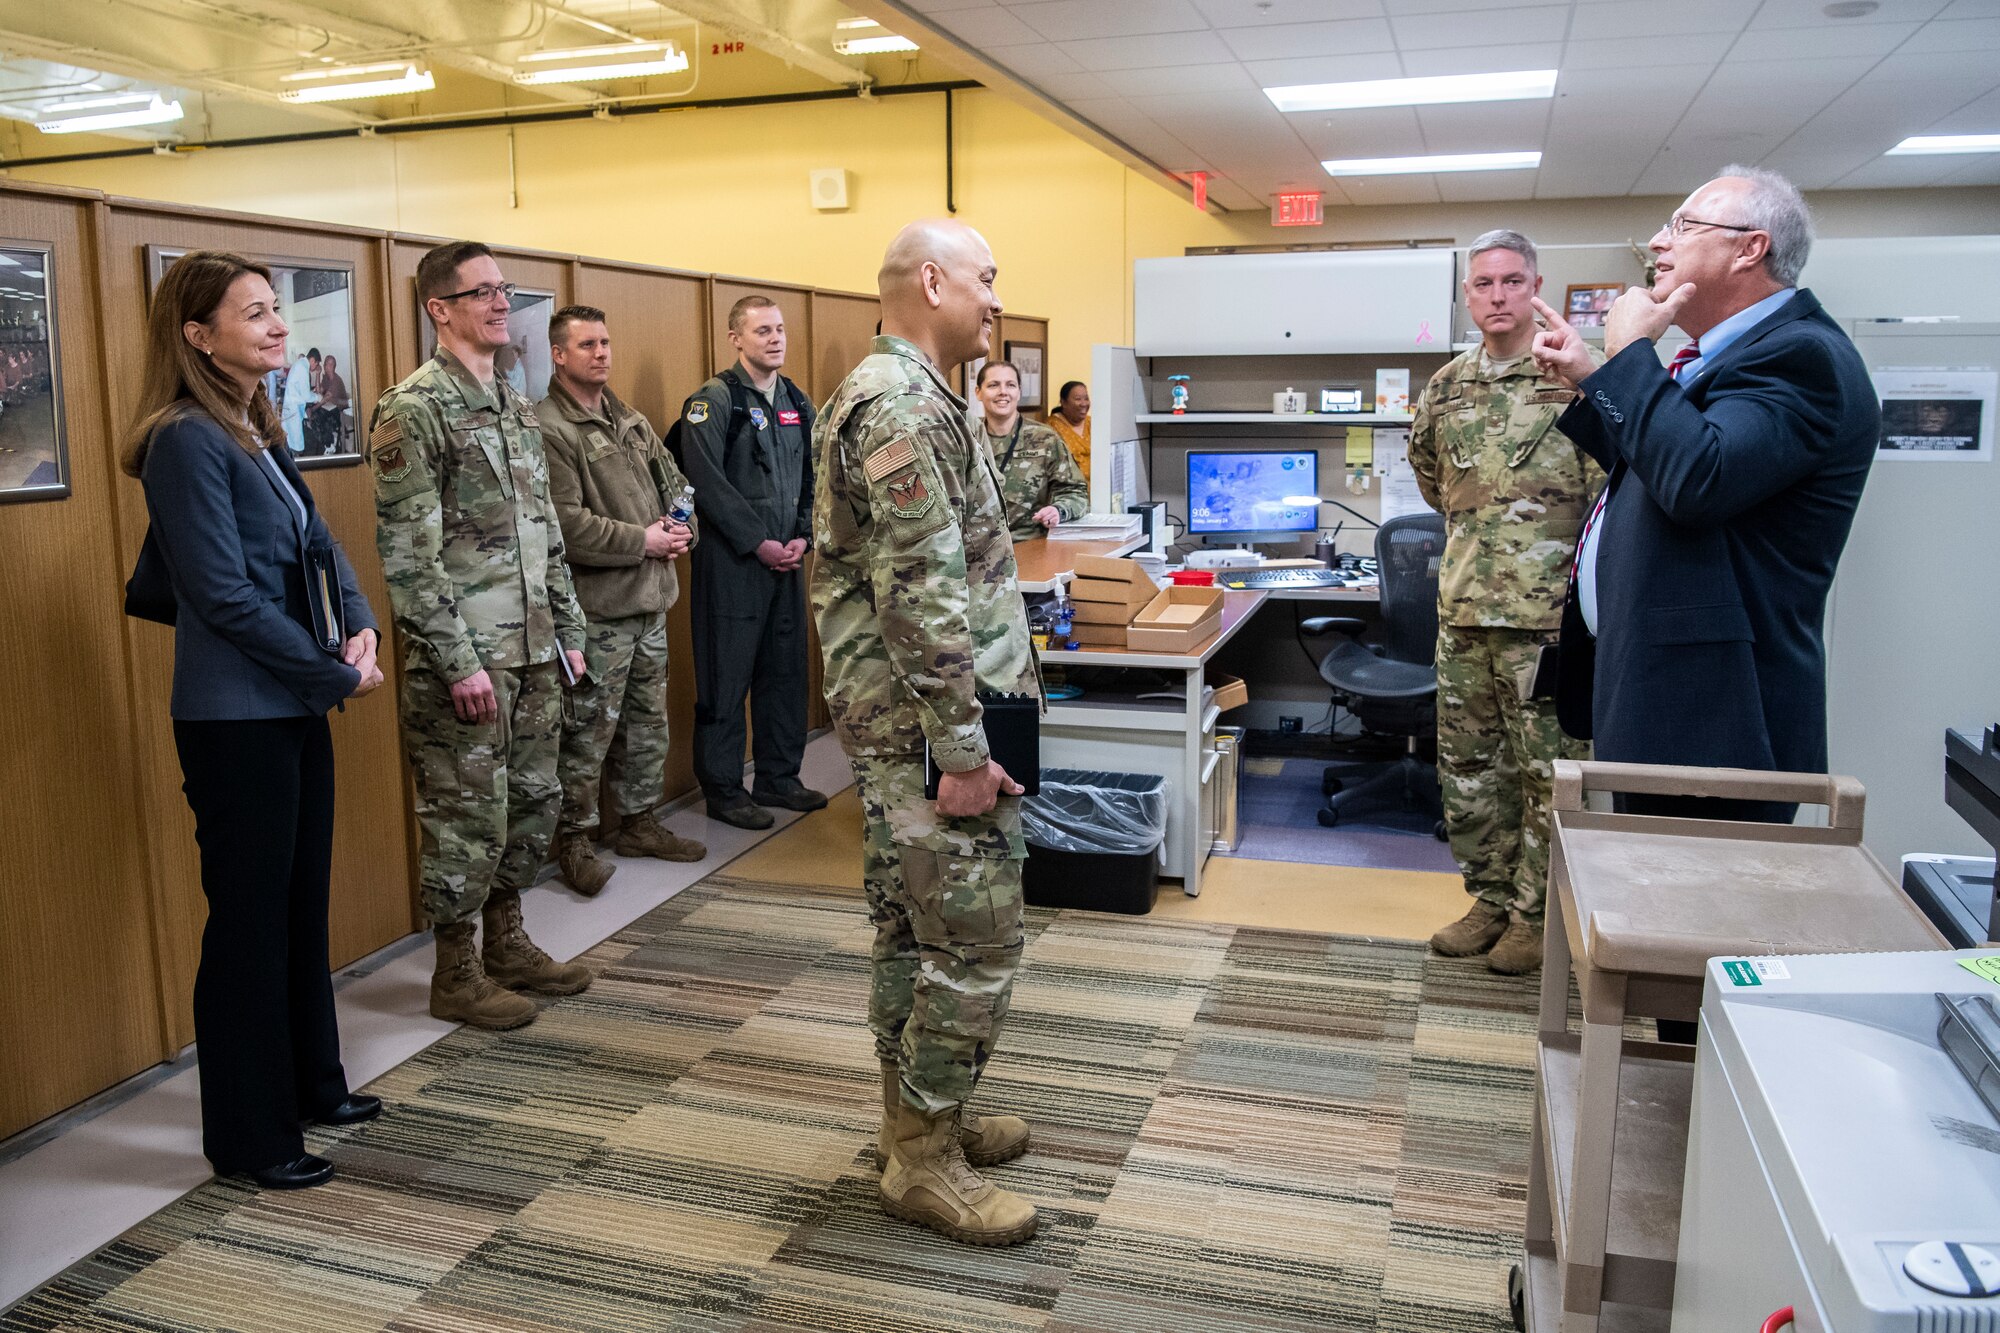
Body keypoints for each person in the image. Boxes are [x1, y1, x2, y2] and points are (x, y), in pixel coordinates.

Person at [121, 250, 384, 1189]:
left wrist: (359, 624)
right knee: (247, 924)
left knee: (298, 903)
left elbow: (320, 542)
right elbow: (222, 596)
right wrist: (328, 672)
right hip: (237, 717)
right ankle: (247, 1133)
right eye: (255, 313)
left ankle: (313, 1082)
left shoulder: (252, 424)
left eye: (277, 309)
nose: (278, 326)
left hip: (295, 697)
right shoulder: (185, 438)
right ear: (199, 337)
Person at [813, 218, 1040, 1247]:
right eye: (987, 280)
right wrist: (958, 749)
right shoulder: (897, 403)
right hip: (927, 727)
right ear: (934, 281)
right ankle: (922, 1159)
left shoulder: (923, 397)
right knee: (975, 935)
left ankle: (918, 1122)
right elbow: (920, 594)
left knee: (915, 930)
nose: (997, 299)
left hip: (927, 717)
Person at [1531, 165, 1879, 824]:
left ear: (1750, 248)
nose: (1658, 244)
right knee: (1645, 910)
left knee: (1695, 916)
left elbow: (1698, 479)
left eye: (1682, 226)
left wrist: (1632, 352)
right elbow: (1659, 470)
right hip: (1665, 702)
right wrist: (1592, 374)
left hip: (1719, 722)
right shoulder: (1725, 356)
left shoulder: (1800, 358)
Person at [372, 240, 593, 1032]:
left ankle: (508, 942)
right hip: (468, 663)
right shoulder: (413, 409)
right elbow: (408, 555)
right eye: (484, 292)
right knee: (464, 817)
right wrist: (456, 660)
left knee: (530, 803)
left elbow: (546, 534)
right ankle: (455, 971)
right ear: (441, 308)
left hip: (535, 652)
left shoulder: (512, 401)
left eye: (505, 290)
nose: (503, 303)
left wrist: (568, 631)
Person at [1410, 230, 1602, 977]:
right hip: (1464, 612)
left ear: (1535, 286)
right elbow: (1433, 478)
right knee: (1467, 769)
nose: (1497, 295)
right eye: (1483, 283)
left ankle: (1534, 914)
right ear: (1468, 294)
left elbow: (1608, 485)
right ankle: (1488, 898)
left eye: (1511, 281)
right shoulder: (1448, 385)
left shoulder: (1578, 377)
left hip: (1549, 621)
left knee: (1547, 774)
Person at [536, 304, 707, 894]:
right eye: (587, 345)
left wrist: (681, 528)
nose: (601, 353)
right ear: (558, 355)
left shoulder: (627, 418)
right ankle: (575, 842)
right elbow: (566, 525)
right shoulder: (550, 429)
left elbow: (676, 484)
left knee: (645, 727)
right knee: (586, 733)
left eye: (605, 342)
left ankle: (638, 822)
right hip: (597, 612)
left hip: (651, 602)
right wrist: (646, 540)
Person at [677, 295, 827, 829]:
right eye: (762, 330)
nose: (776, 338)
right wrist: (756, 540)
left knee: (785, 674)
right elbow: (702, 481)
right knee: (726, 676)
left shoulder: (796, 400)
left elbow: (816, 474)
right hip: (733, 566)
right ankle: (723, 789)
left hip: (786, 563)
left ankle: (778, 778)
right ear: (736, 338)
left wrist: (804, 535)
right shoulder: (713, 401)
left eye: (780, 329)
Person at [975, 360, 1088, 541]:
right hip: (977, 551)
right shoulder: (966, 438)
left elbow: (1075, 493)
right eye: (993, 385)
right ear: (978, 392)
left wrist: (1058, 510)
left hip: (1027, 545)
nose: (1002, 391)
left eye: (1010, 385)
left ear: (1019, 392)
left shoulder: (1045, 439)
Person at [1047, 379, 1091, 480]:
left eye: (1086, 398)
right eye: (1078, 399)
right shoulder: (1052, 427)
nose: (1083, 403)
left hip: (1100, 487)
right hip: (1071, 489)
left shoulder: (1092, 423)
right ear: (1063, 402)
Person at [309, 352, 349, 455]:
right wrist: (318, 374)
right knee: (314, 416)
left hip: (339, 412)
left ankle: (330, 444)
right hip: (329, 408)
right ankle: (329, 443)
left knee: (317, 415)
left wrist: (313, 409)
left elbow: (326, 399)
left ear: (333, 366)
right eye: (326, 364)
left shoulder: (336, 380)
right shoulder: (326, 377)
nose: (326, 366)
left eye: (329, 364)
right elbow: (319, 392)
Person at [281, 349, 316, 454]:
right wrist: (318, 397)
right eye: (316, 364)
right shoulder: (303, 367)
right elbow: (306, 396)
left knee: (289, 441)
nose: (314, 368)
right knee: (296, 446)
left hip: (291, 405)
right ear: (313, 360)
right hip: (294, 408)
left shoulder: (300, 364)